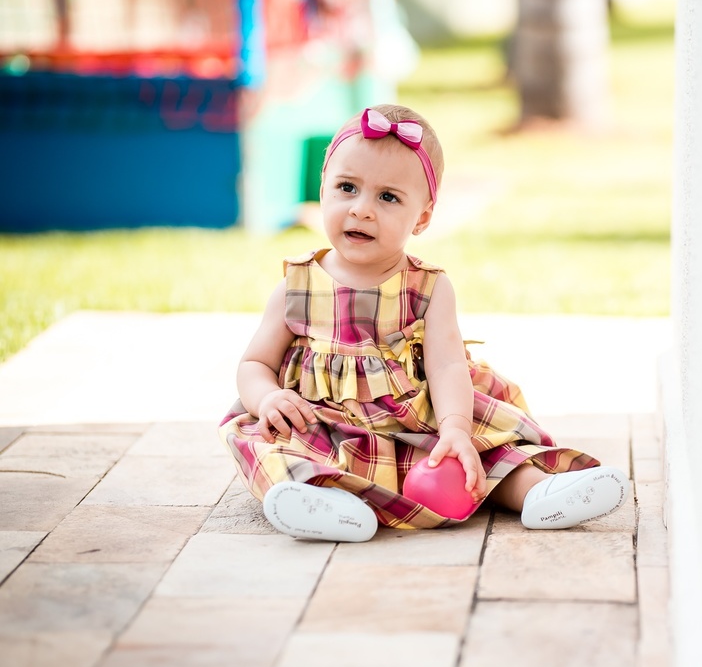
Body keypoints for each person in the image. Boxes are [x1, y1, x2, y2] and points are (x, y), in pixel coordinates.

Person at [218, 104, 628, 541]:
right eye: (347, 187)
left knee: (482, 458)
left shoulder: (428, 288)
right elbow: (254, 364)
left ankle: (540, 492)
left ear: (423, 217)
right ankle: (326, 503)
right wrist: (268, 398)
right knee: (272, 448)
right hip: (324, 426)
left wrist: (455, 429)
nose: (362, 210)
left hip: (417, 424)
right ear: (322, 190)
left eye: (388, 197)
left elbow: (448, 366)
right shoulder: (296, 285)